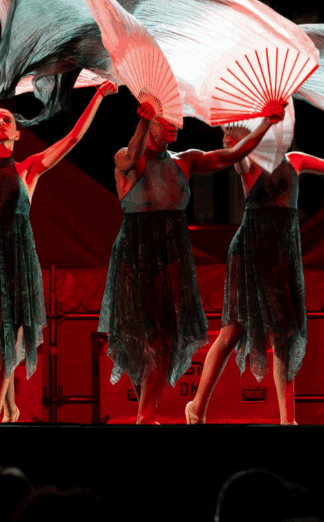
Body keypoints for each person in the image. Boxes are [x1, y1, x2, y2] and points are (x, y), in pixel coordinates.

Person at [103, 99, 283, 424]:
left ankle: (146, 413)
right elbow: (130, 156)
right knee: (142, 335)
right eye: (168, 118)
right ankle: (144, 408)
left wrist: (266, 124)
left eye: (178, 119)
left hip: (173, 252)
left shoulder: (185, 160)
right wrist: (143, 124)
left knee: (167, 334)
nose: (177, 123)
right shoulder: (128, 157)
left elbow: (230, 156)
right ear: (149, 120)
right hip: (136, 252)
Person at [0, 81, 117, 423]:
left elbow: (71, 139)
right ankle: (10, 410)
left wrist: (98, 97)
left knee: (6, 345)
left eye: (7, 121)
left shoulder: (28, 168)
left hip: (18, 265)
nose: (1, 124)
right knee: (1, 346)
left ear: (16, 134)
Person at [187, 125, 324, 425]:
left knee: (283, 334)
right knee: (232, 331)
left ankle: (287, 420)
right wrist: (233, 137)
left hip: (280, 252)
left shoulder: (296, 160)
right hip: (250, 249)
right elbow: (237, 159)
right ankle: (196, 407)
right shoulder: (249, 158)